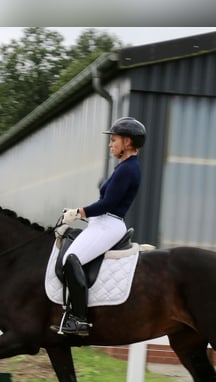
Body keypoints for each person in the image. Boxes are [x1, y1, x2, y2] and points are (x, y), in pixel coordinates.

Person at [56, 116, 146, 336]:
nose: (110, 144)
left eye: (114, 139)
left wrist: (78, 212)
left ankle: (79, 319)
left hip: (109, 225)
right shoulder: (124, 167)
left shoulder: (128, 169)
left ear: (127, 142)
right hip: (102, 223)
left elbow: (108, 204)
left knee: (71, 258)